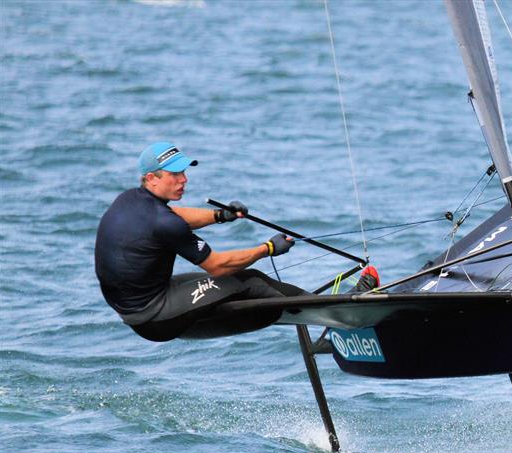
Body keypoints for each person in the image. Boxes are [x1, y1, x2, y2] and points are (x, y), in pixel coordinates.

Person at [95, 141, 378, 342]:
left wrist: (220, 216)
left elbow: (178, 216)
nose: (184, 180)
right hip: (154, 316)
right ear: (151, 179)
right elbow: (217, 266)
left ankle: (330, 308)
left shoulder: (131, 200)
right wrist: (267, 249)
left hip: (139, 305)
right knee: (249, 284)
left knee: (251, 277)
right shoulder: (163, 222)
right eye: (175, 174)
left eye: (184, 172)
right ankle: (347, 318)